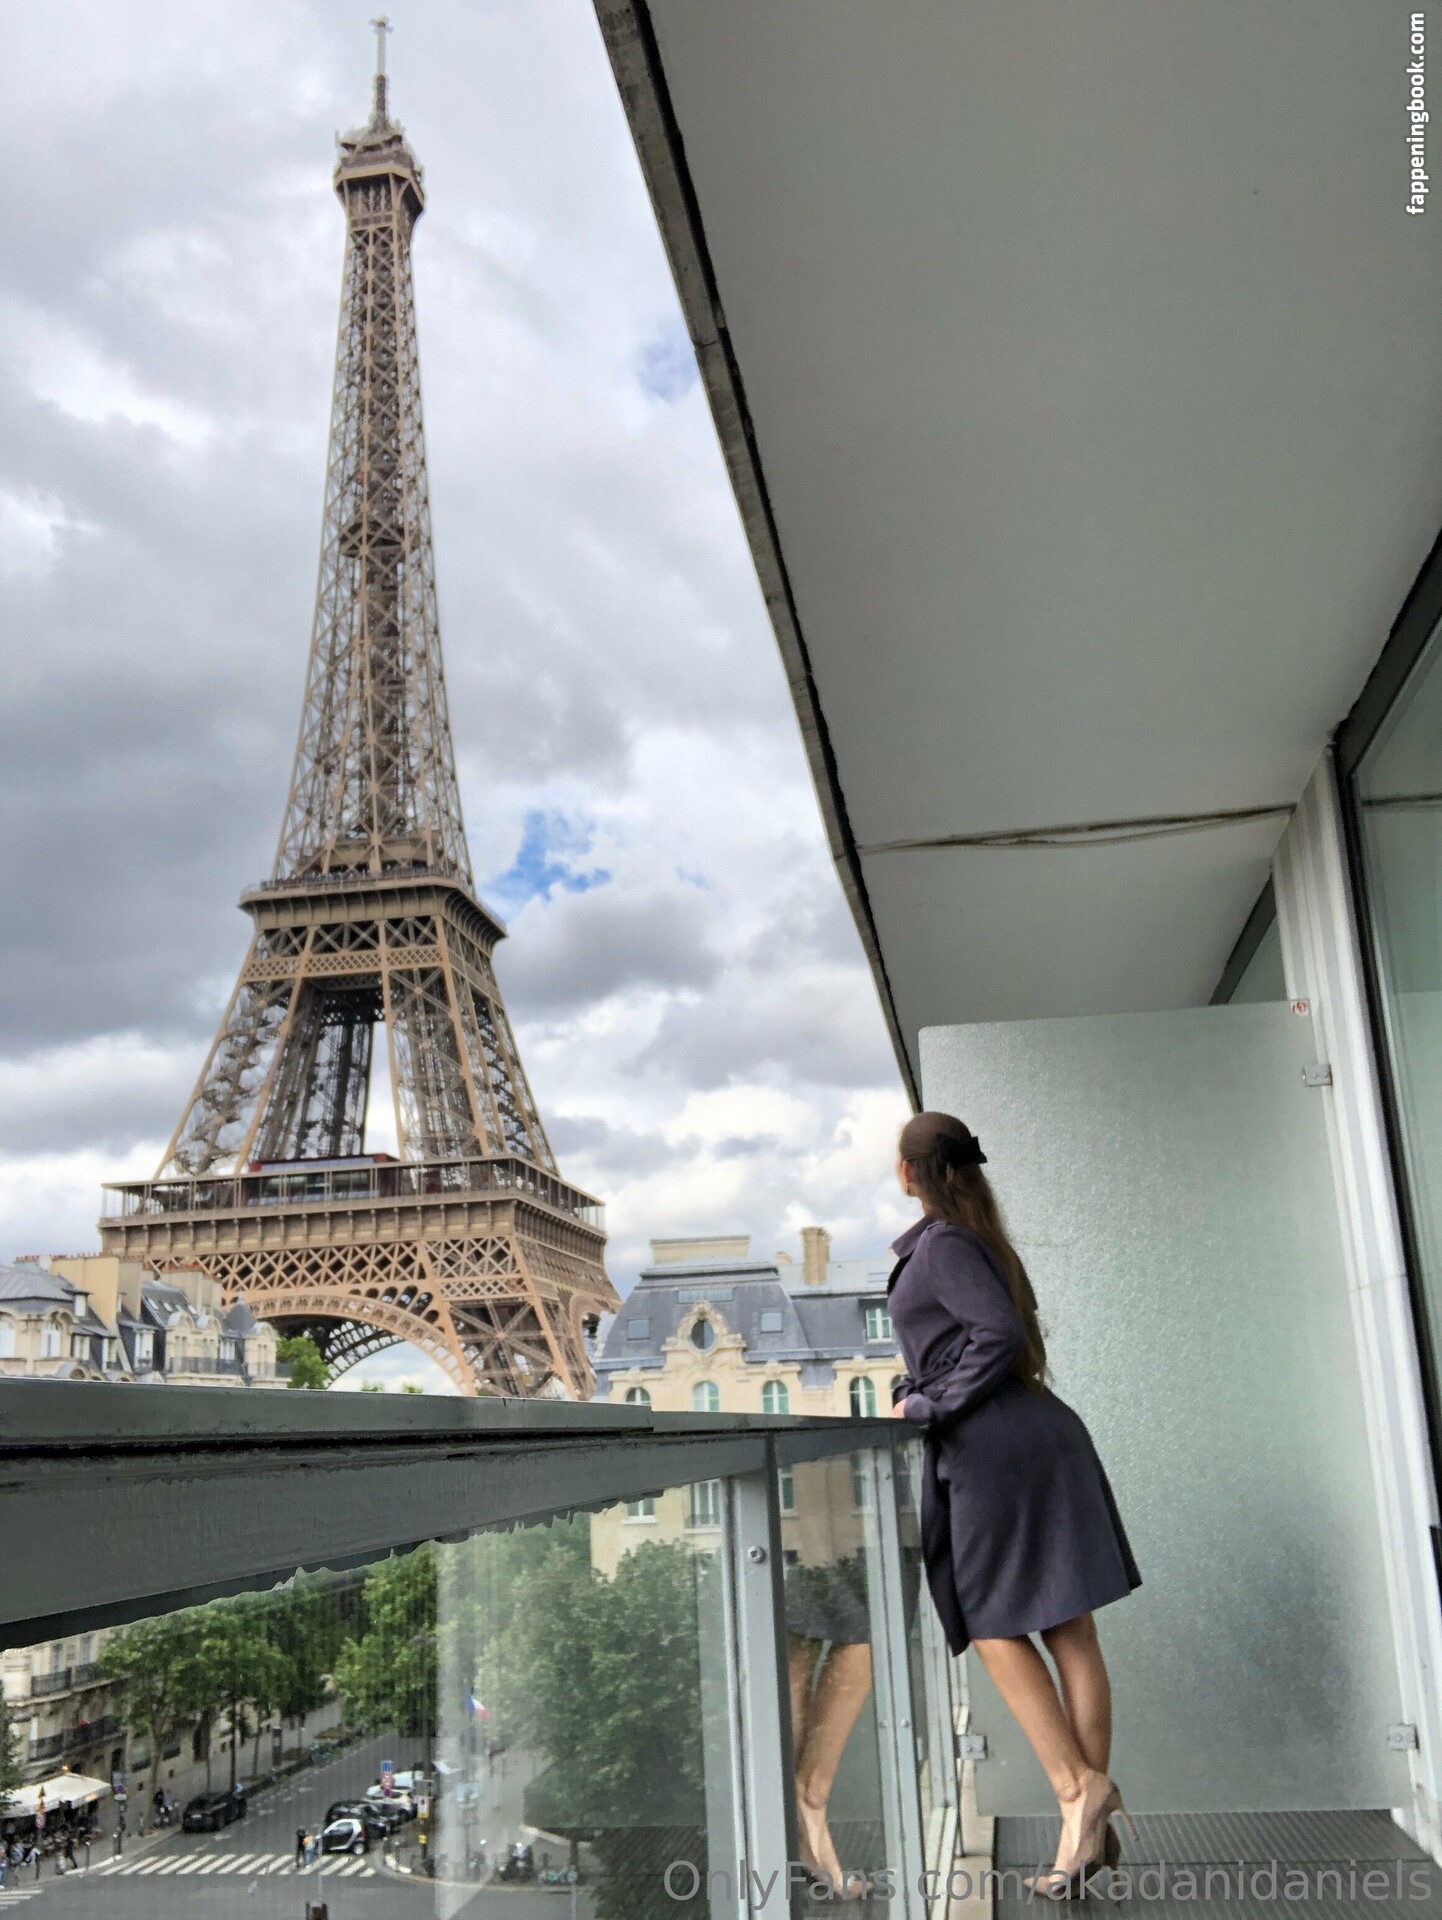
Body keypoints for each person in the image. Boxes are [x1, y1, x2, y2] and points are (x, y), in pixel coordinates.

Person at [887, 1111, 1142, 1897]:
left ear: (907, 1172)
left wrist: (929, 1405)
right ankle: (1083, 1833)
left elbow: (992, 1335)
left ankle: (1077, 1788)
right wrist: (915, 1385)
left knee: (992, 1622)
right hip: (1032, 1437)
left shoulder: (943, 1244)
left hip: (996, 1450)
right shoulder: (976, 1236)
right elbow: (970, 1341)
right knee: (1068, 1629)